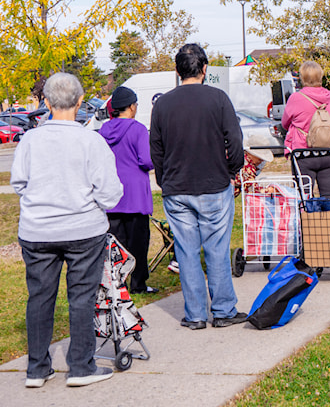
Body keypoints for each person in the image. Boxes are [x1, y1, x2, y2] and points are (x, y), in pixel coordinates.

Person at [15, 72, 123, 387]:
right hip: (83, 229)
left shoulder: (30, 140)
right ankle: (80, 367)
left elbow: (19, 183)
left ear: (46, 102)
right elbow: (110, 193)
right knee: (81, 297)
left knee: (39, 297)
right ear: (79, 102)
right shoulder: (91, 139)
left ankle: (36, 369)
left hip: (38, 231)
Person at [150, 43, 247, 330]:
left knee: (186, 251)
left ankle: (195, 315)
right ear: (204, 69)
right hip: (214, 184)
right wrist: (233, 170)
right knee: (216, 249)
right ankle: (223, 310)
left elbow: (156, 147)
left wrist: (163, 178)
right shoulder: (218, 98)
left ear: (178, 71)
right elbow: (236, 140)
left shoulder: (162, 104)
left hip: (177, 187)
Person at [98, 85, 155, 294]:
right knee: (138, 242)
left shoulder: (103, 130)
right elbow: (146, 160)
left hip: (112, 194)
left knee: (115, 243)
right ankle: (138, 284)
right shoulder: (137, 129)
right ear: (131, 107)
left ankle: (116, 285)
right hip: (135, 194)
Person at [281, 60, 330, 195]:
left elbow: (285, 123)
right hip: (329, 150)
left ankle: (306, 215)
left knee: (303, 198)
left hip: (303, 152)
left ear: (302, 77)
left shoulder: (296, 98)